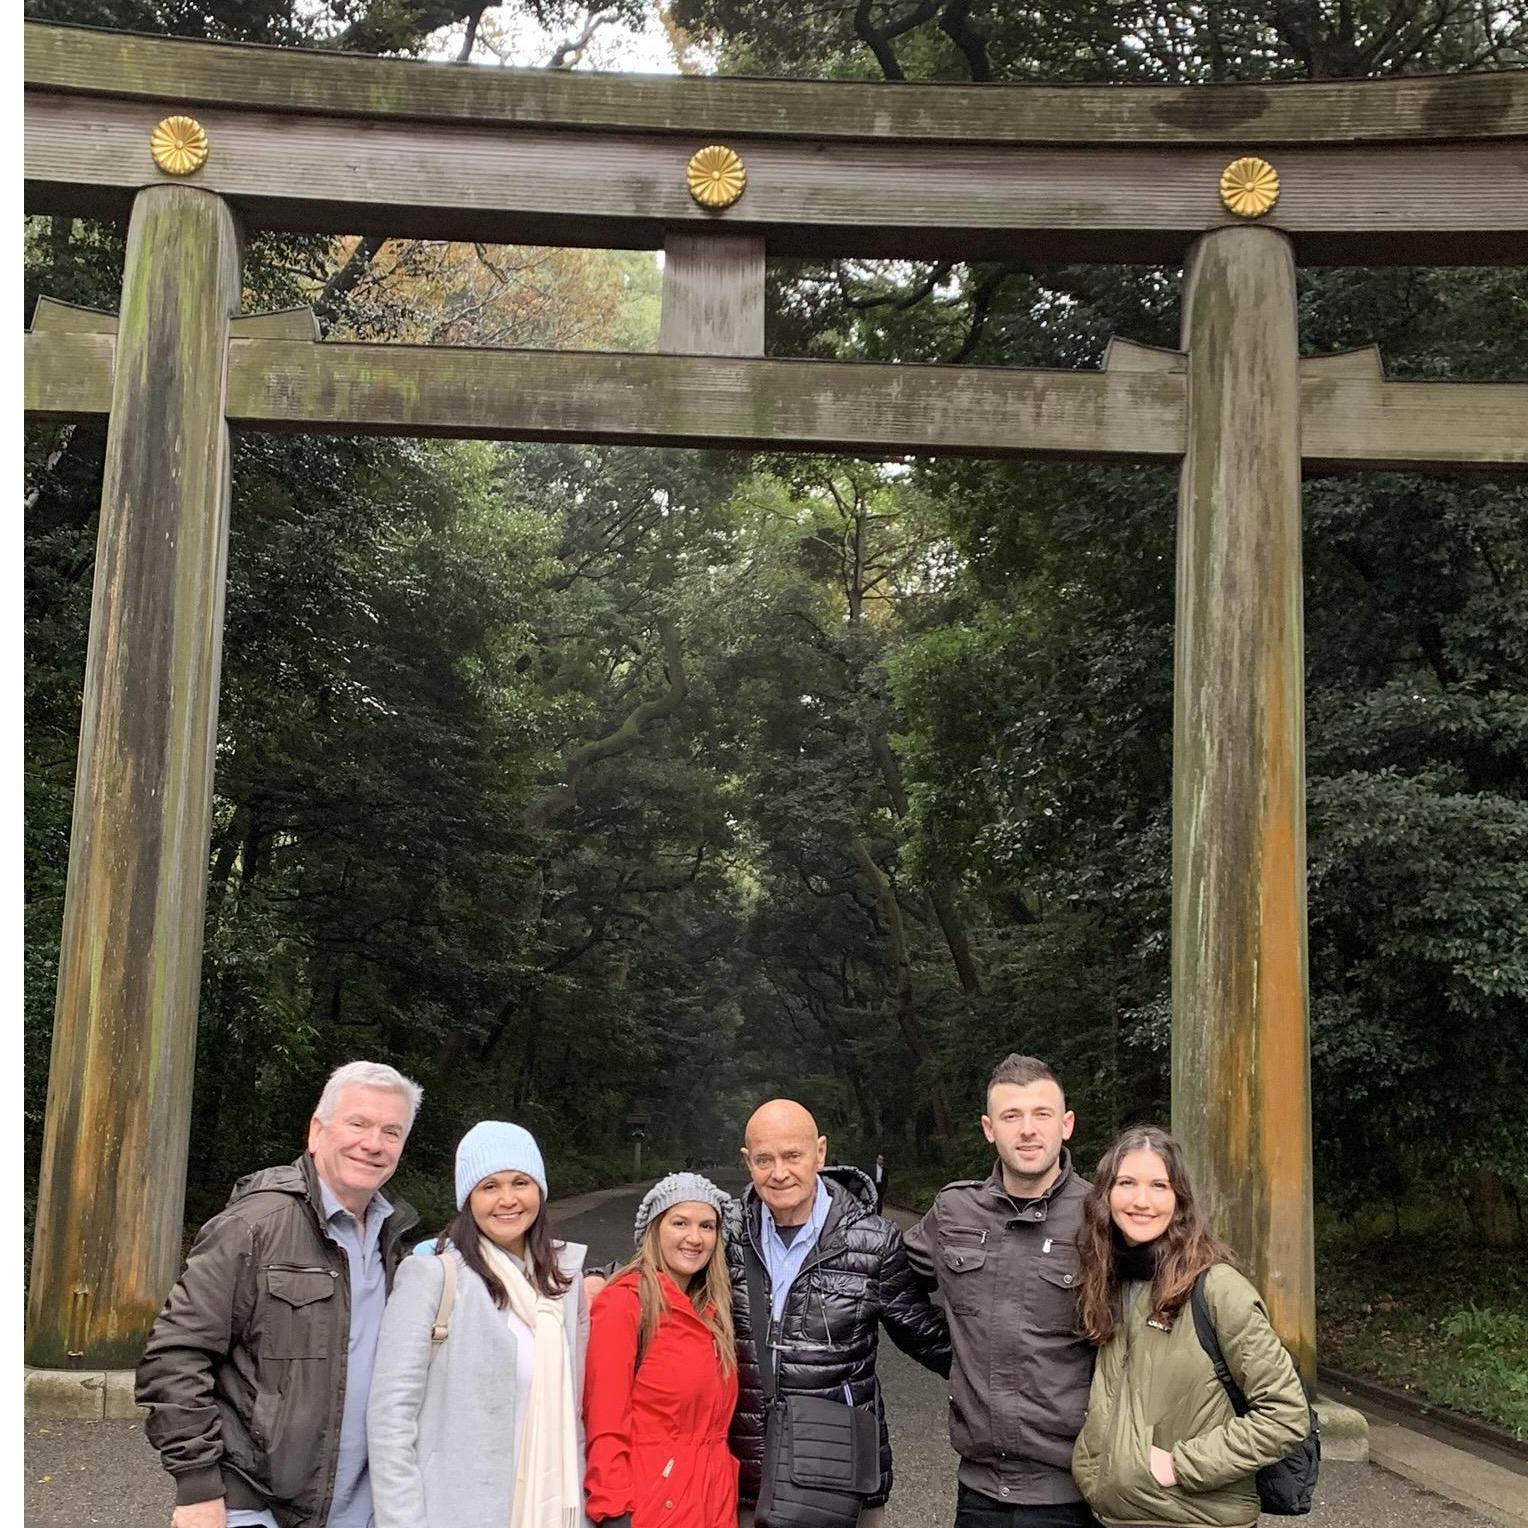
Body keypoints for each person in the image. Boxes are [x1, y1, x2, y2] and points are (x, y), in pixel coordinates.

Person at [136, 1060, 424, 1528]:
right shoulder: (253, 1227)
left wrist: (587, 1276)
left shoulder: (395, 1242)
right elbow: (174, 1355)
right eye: (359, 1123)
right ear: (317, 1130)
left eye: (391, 1132)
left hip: (362, 1505)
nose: (373, 1144)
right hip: (255, 1504)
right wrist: (197, 1487)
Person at [1070, 1125, 1309, 1527]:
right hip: (1116, 1517)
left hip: (1194, 1518)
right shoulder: (1112, 1282)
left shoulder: (1218, 1290)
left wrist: (1182, 1465)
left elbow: (1286, 1416)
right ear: (1106, 1195)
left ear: (1180, 1201)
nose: (1141, 1200)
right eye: (1127, 1182)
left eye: (1159, 1185)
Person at [729, 1098, 951, 1528]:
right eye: (764, 1159)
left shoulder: (872, 1241)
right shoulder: (727, 1235)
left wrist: (1023, 1372)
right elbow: (658, 1280)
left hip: (838, 1474)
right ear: (747, 1161)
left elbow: (927, 1337)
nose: (779, 1173)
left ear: (821, 1152)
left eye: (793, 1155)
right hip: (747, 1473)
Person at [904, 1054, 1097, 1528]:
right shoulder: (954, 1211)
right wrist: (951, 1354)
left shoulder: (1102, 1217)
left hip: (1072, 1492)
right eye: (1012, 1116)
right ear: (989, 1129)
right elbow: (889, 1278)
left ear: (1066, 1125)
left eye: (1041, 1114)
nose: (1027, 1129)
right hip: (979, 1493)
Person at [367, 1120, 590, 1528]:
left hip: (549, 1507)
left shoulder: (563, 1284)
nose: (507, 1199)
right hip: (451, 1511)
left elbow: (576, 1413)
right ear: (468, 1198)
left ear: (539, 1190)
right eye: (489, 1187)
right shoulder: (432, 1277)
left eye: (520, 1182)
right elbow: (390, 1420)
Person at [583, 1173, 739, 1528]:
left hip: (713, 1504)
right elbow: (604, 1422)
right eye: (679, 1223)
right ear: (653, 1230)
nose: (694, 1238)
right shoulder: (624, 1304)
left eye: (707, 1226)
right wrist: (613, 1511)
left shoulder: (712, 1312)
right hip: (652, 1507)